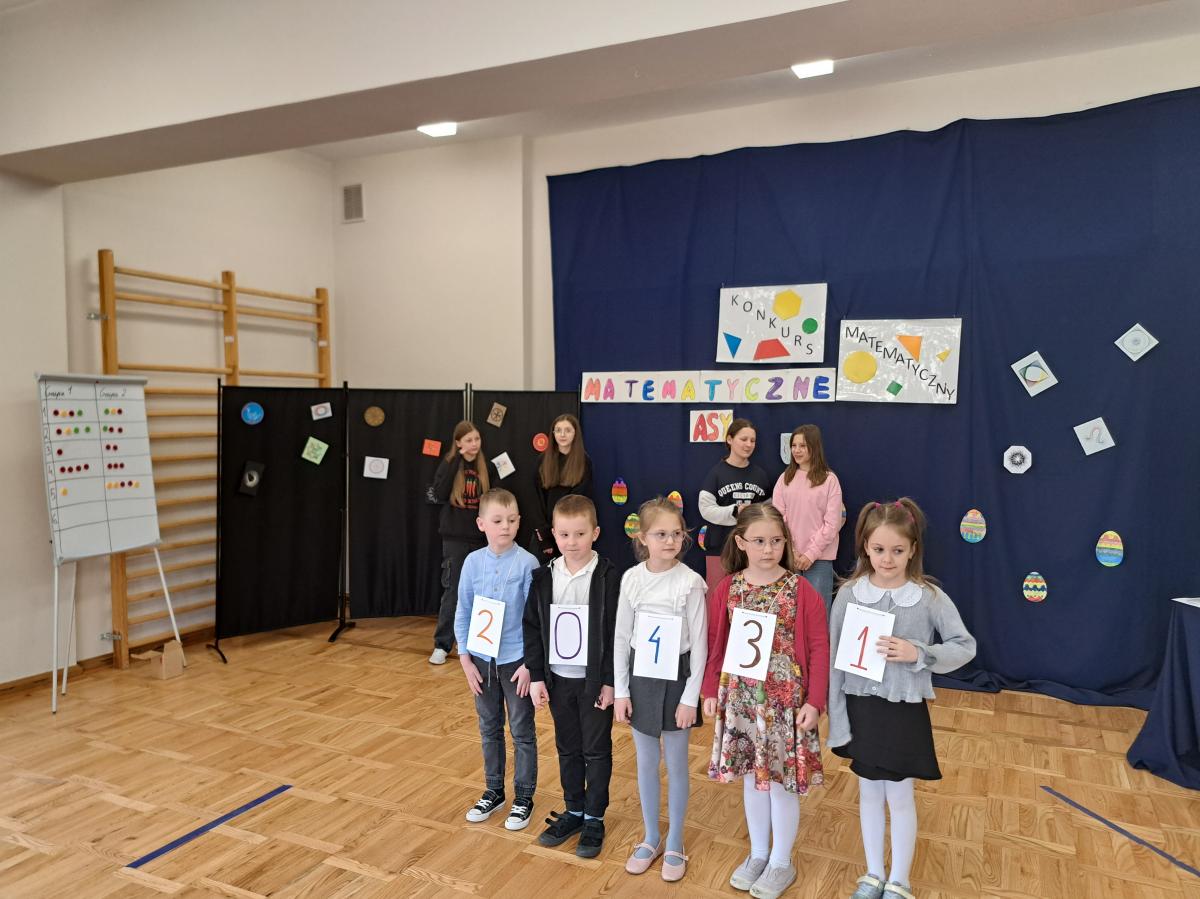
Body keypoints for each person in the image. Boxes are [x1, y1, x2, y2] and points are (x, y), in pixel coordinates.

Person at [829, 499, 976, 899]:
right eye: (879, 549)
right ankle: (873, 874)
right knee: (868, 792)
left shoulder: (928, 597)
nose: (887, 559)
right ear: (865, 547)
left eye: (897, 550)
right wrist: (838, 722)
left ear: (912, 549)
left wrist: (919, 653)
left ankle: (900, 880)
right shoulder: (849, 595)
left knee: (899, 794)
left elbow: (965, 646)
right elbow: (835, 661)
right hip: (862, 710)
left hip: (904, 713)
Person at [703, 503, 829, 899]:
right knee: (752, 781)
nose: (768, 549)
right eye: (759, 541)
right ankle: (758, 854)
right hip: (742, 702)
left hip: (785, 704)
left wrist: (816, 700)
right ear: (741, 542)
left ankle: (781, 861)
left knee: (780, 784)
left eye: (776, 541)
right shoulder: (728, 588)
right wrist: (709, 689)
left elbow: (819, 647)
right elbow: (716, 642)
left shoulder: (801, 590)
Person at [613, 497, 707, 882]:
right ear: (642, 537)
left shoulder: (690, 582)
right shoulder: (632, 579)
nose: (670, 541)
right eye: (660, 534)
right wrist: (622, 690)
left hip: (678, 679)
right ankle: (651, 835)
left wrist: (690, 697)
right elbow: (622, 638)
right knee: (646, 761)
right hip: (642, 679)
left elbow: (700, 645)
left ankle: (675, 840)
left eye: (676, 534)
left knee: (677, 763)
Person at [523, 494, 619, 858]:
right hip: (557, 680)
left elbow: (616, 633)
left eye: (580, 534)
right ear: (553, 534)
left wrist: (610, 681)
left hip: (594, 682)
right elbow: (533, 628)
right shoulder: (544, 577)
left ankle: (595, 817)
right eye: (564, 535)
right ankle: (574, 810)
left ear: (595, 533)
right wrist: (536, 676)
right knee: (567, 747)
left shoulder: (609, 577)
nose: (572, 542)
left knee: (596, 750)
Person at [454, 488, 541, 831]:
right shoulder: (472, 562)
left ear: (519, 522)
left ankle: (524, 796)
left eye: (512, 520)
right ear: (482, 524)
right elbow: (462, 611)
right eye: (498, 520)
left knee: (521, 730)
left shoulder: (527, 563)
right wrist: (465, 659)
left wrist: (529, 664)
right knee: (489, 727)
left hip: (515, 662)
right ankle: (494, 790)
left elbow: (535, 620)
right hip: (480, 662)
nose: (505, 526)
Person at [430, 420, 497, 665]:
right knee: (454, 591)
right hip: (455, 540)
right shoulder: (450, 464)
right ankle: (442, 644)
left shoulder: (488, 467)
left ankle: (477, 642)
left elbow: (495, 501)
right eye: (468, 440)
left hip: (481, 540)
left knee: (483, 592)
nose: (474, 444)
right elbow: (439, 494)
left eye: (477, 439)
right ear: (458, 443)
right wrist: (456, 460)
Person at [697, 418, 772, 595]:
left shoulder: (760, 475)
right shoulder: (716, 473)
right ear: (730, 439)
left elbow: (768, 511)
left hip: (751, 550)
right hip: (720, 547)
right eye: (743, 439)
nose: (749, 444)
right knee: (717, 595)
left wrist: (754, 516)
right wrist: (734, 511)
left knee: (749, 596)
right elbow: (705, 509)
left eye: (752, 440)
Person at [772, 424, 843, 611]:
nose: (796, 450)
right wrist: (792, 551)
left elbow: (832, 523)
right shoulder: (784, 479)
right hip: (789, 558)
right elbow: (778, 519)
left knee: (817, 612)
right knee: (788, 612)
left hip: (819, 559)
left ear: (814, 446)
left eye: (802, 446)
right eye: (794, 446)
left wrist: (810, 554)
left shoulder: (829, 480)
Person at [531, 413, 593, 559]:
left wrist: (564, 531)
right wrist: (544, 534)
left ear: (575, 433)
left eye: (567, 430)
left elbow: (580, 500)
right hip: (544, 533)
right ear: (553, 434)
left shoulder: (584, 462)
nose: (562, 434)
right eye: (558, 430)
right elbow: (535, 498)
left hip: (570, 532)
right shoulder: (542, 460)